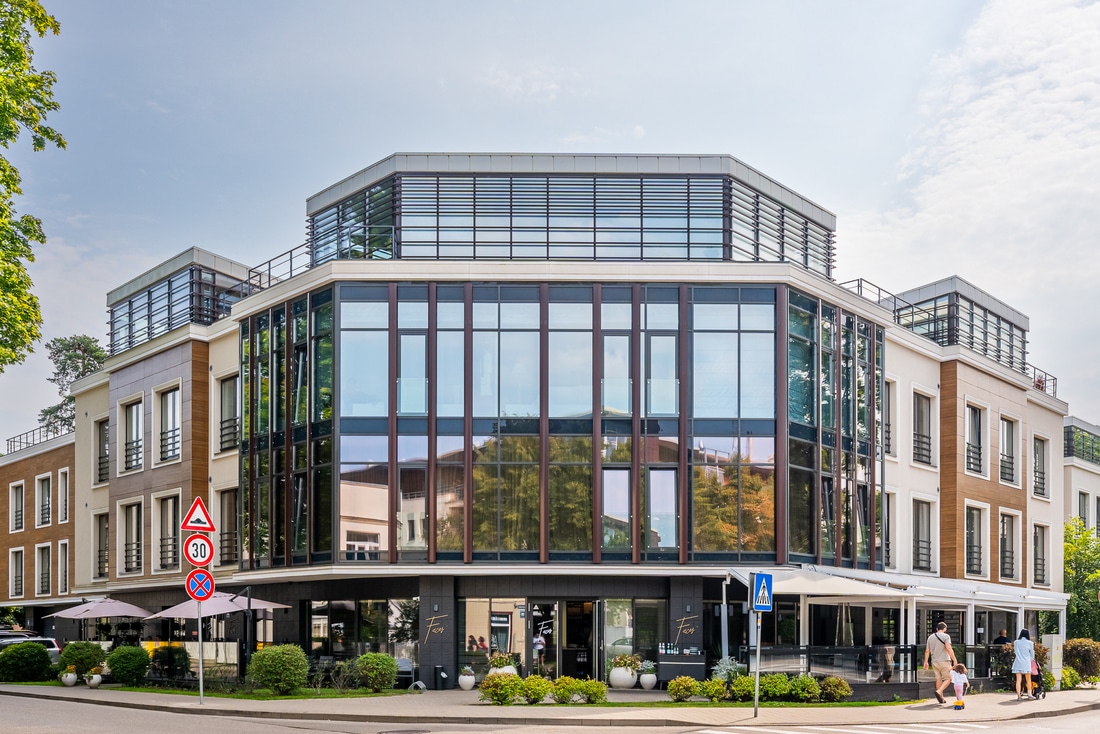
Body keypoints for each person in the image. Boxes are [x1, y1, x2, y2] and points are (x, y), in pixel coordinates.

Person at [923, 621, 957, 704]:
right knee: (949, 678)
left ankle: (941, 697)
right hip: (944, 660)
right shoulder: (946, 636)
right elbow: (948, 648)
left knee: (938, 679)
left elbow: (927, 651)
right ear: (945, 629)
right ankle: (939, 691)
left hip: (934, 661)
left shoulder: (930, 637)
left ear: (937, 629)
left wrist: (926, 662)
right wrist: (954, 659)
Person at [1012, 629, 1035, 700]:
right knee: (1028, 679)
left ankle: (1019, 696)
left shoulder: (1016, 642)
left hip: (1017, 662)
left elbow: (1015, 651)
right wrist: (1031, 659)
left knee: (1018, 680)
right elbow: (1032, 654)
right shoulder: (1030, 643)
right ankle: (1029, 695)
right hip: (1026, 663)